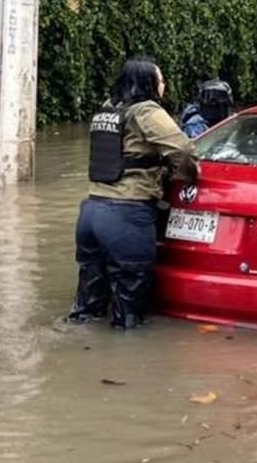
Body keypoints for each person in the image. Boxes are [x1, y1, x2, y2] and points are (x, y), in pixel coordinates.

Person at [68, 57, 199, 328]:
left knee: (87, 307)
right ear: (148, 83)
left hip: (91, 212)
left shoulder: (107, 110)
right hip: (126, 215)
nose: (164, 85)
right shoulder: (146, 111)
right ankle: (124, 365)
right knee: (129, 306)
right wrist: (185, 176)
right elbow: (183, 150)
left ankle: (83, 353)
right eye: (161, 80)